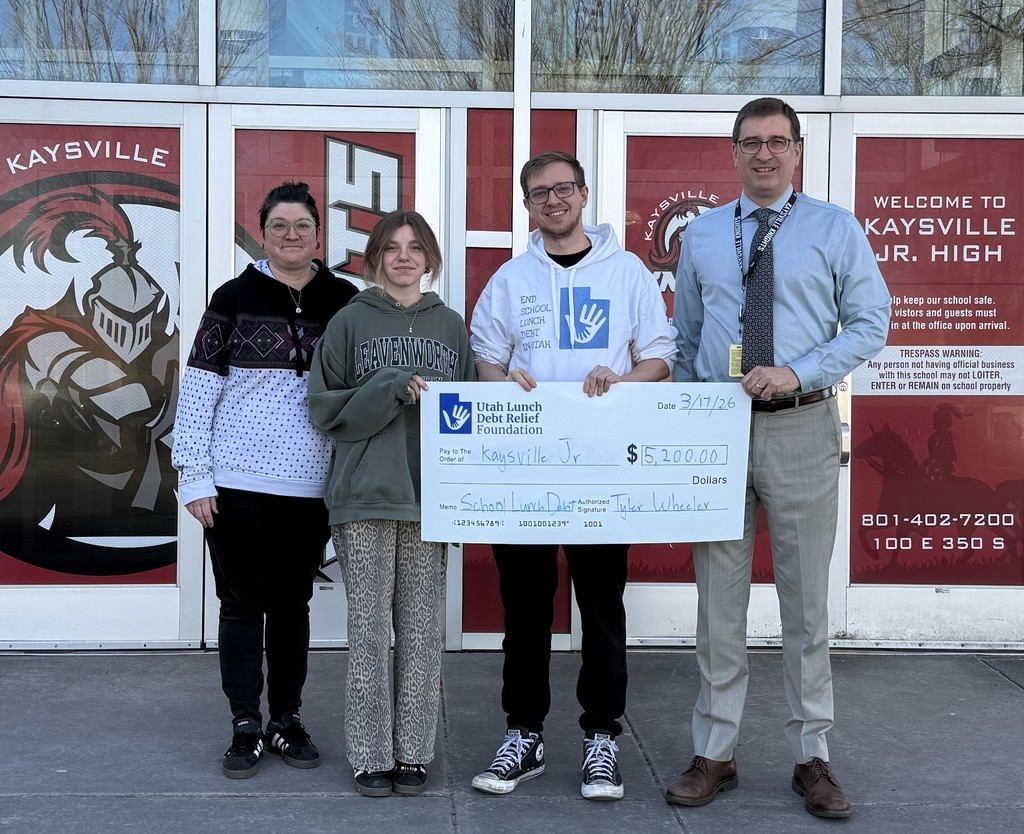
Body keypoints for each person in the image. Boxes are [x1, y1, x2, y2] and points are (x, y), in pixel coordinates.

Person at [668, 98, 890, 819]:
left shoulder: (833, 227)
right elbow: (688, 339)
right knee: (718, 605)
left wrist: (800, 371)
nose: (764, 154)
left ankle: (812, 757)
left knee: (805, 606)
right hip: (719, 434)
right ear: (733, 153)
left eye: (777, 142)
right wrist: (686, 416)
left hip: (801, 426)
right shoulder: (702, 235)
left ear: (797, 151)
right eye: (751, 143)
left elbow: (870, 322)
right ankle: (716, 752)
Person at [469, 151, 676, 801]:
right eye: (538, 194)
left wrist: (621, 379)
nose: (552, 201)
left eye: (563, 189)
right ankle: (523, 735)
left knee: (600, 606)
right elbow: (487, 364)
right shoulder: (510, 279)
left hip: (602, 469)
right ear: (527, 206)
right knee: (524, 609)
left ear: (584, 194)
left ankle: (601, 739)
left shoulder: (628, 274)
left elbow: (660, 358)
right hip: (528, 472)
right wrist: (509, 383)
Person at [172, 181, 358, 778]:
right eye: (279, 226)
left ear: (318, 235)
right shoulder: (231, 298)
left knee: (293, 607)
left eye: (302, 225)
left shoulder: (346, 302)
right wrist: (195, 478)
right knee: (240, 606)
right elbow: (198, 395)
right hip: (236, 485)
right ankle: (245, 724)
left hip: (312, 488)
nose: (291, 236)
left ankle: (286, 719)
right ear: (263, 233)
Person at [307, 210, 475, 798]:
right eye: (392, 248)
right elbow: (324, 407)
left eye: (415, 248)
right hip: (363, 494)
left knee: (423, 629)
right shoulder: (349, 321)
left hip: (430, 497)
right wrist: (388, 387)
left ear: (429, 258)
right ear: (375, 257)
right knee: (371, 630)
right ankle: (369, 754)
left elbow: (470, 410)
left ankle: (414, 753)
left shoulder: (451, 325)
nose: (404, 258)